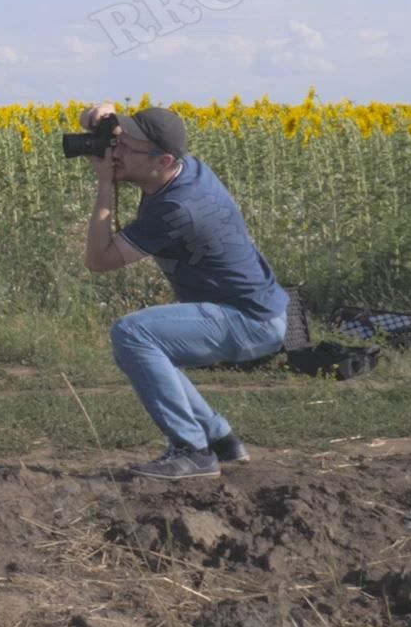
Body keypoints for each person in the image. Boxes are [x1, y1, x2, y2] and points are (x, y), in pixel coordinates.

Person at [79, 103, 291, 480]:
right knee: (149, 344)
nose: (117, 151)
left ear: (161, 161)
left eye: (128, 146)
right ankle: (220, 439)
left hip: (249, 320)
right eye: (119, 140)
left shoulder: (178, 208)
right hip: (254, 310)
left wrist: (104, 186)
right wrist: (99, 118)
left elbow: (98, 260)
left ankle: (192, 451)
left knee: (134, 333)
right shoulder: (180, 168)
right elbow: (116, 132)